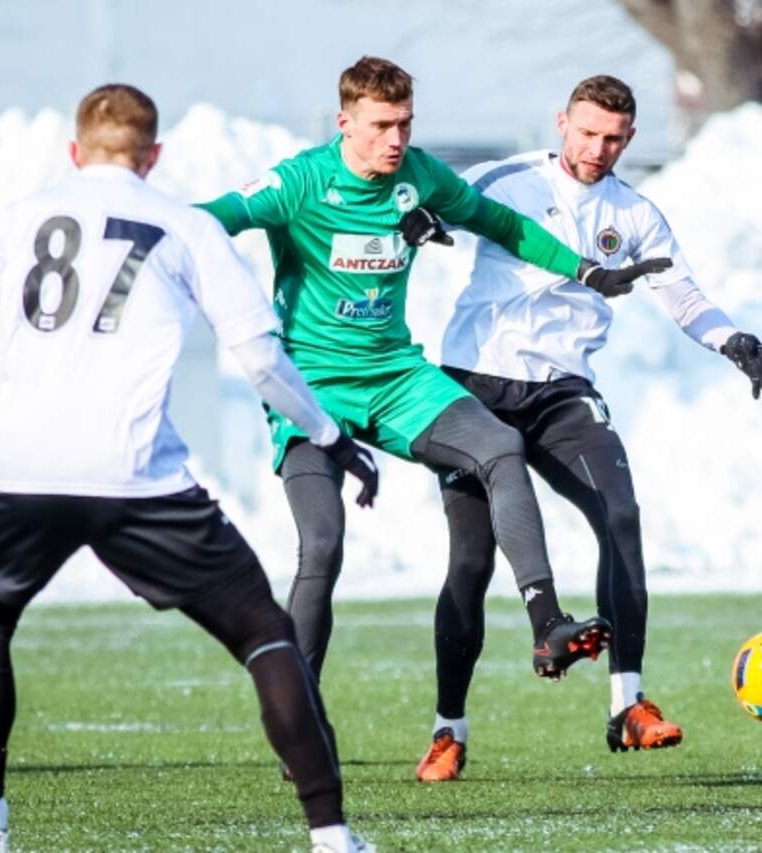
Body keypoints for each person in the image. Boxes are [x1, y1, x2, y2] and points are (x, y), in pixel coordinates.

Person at [0, 84, 377, 853]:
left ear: (75, 151)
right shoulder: (187, 226)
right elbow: (261, 359)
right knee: (265, 634)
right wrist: (329, 435)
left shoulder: (21, 216)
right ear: (154, 155)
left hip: (24, 472)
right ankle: (332, 836)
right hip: (138, 475)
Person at [198, 56, 670, 683]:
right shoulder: (299, 181)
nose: (395, 139)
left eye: (405, 124)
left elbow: (501, 223)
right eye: (380, 125)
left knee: (500, 446)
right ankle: (298, 709)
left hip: (396, 375)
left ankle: (548, 624)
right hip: (311, 387)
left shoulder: (419, 177)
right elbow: (207, 221)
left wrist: (585, 270)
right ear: (345, 122)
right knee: (323, 545)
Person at [409, 75, 762, 782]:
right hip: (475, 388)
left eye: (612, 138)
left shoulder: (634, 213)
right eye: (586, 132)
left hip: (562, 394)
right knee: (471, 561)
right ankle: (447, 730)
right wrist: (422, 223)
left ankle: (627, 705)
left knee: (621, 516)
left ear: (629, 138)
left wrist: (730, 339)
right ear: (562, 123)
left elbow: (682, 293)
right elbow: (439, 208)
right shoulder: (507, 180)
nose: (597, 148)